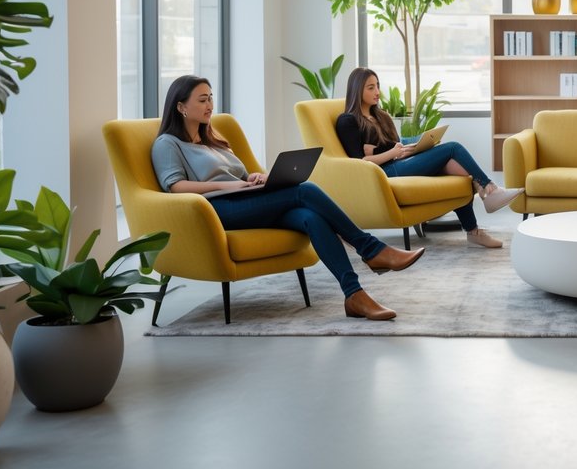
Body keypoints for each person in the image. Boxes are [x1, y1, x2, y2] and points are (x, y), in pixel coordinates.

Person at [152, 75, 422, 322]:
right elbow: (175, 187)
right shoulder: (168, 143)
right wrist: (229, 187)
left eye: (211, 97)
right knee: (304, 190)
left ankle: (354, 296)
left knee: (310, 218)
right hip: (218, 210)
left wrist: (256, 178)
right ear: (181, 107)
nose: (210, 104)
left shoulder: (213, 139)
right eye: (202, 99)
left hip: (244, 199)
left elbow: (242, 175)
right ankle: (370, 249)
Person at [335, 67, 521, 249]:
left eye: (377, 85)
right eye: (371, 87)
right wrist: (390, 153)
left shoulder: (381, 116)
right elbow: (360, 163)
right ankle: (489, 188)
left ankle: (473, 231)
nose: (377, 91)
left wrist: (410, 148)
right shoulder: (348, 121)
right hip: (384, 173)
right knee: (453, 148)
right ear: (357, 90)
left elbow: (394, 145)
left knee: (457, 170)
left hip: (399, 162)